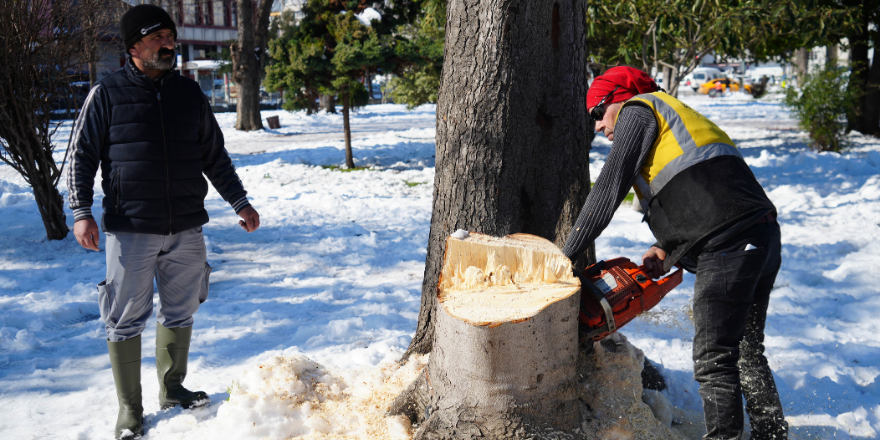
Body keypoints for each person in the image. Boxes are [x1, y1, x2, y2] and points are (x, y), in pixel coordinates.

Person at [67, 5, 261, 439]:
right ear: (134, 45)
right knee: (124, 317)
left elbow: (214, 154)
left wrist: (240, 202)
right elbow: (81, 157)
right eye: (158, 37)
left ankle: (172, 390)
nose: (168, 43)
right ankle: (129, 411)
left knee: (181, 308)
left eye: (170, 36)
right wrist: (81, 213)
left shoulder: (189, 94)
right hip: (131, 228)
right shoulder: (108, 93)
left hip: (186, 226)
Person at [563, 66, 787, 440]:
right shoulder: (674, 118)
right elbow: (702, 185)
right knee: (745, 348)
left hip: (728, 243)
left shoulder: (638, 108)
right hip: (759, 234)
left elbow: (608, 188)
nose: (599, 127)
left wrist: (564, 256)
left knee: (714, 356)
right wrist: (665, 247)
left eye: (598, 113)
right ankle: (772, 434)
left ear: (618, 96)